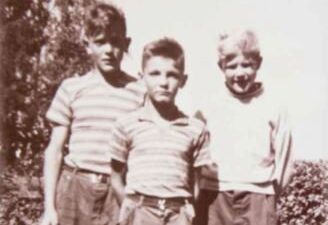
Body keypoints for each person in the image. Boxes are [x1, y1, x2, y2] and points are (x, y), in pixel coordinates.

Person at [41, 2, 145, 225]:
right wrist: (49, 207)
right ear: (87, 45)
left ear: (126, 44)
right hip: (74, 187)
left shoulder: (139, 91)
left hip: (116, 190)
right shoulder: (72, 88)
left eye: (115, 42)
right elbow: (55, 151)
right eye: (100, 42)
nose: (109, 50)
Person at [108, 38, 212, 225]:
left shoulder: (195, 129)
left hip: (178, 212)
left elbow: (197, 183)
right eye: (155, 74)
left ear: (183, 80)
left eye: (172, 75)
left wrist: (185, 212)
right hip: (139, 210)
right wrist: (131, 209)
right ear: (142, 77)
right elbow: (115, 177)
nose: (163, 82)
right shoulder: (127, 124)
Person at [197, 29, 293, 225]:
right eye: (232, 67)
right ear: (221, 67)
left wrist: (268, 196)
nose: (239, 73)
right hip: (214, 196)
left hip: (259, 197)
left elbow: (284, 159)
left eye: (246, 65)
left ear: (258, 63)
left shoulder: (273, 105)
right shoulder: (207, 106)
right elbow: (193, 152)